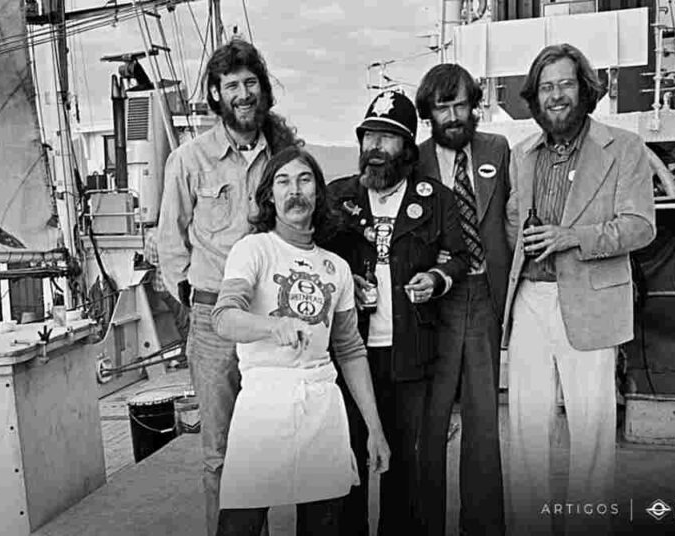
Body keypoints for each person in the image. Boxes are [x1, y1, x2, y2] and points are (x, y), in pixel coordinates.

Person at [502, 43, 656, 535]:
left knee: (591, 431)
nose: (556, 95)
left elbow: (641, 226)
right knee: (525, 427)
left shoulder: (624, 148)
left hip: (592, 300)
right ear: (534, 98)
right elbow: (512, 224)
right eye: (546, 87)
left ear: (585, 90)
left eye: (565, 84)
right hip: (530, 298)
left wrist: (572, 237)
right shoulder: (523, 155)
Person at [156, 38, 301, 536]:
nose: (243, 94)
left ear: (263, 89)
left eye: (250, 83)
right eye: (232, 85)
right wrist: (194, 306)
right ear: (216, 94)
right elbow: (170, 242)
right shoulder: (189, 160)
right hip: (213, 321)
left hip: (270, 321)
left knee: (265, 447)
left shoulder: (284, 156)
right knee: (219, 452)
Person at [212, 147, 391, 536]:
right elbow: (224, 317)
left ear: (318, 193)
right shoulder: (253, 249)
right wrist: (271, 326)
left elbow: (350, 349)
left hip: (321, 409)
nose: (295, 190)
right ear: (269, 196)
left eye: (304, 180)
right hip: (263, 406)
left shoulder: (337, 267)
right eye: (283, 181)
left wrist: (374, 429)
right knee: (239, 525)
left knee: (323, 524)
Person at [324, 90, 470, 535]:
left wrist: (436, 278)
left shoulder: (435, 199)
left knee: (403, 466)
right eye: (369, 136)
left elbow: (459, 257)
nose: (375, 148)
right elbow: (313, 257)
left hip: (410, 353)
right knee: (348, 460)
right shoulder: (337, 197)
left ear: (407, 147)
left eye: (387, 138)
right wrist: (344, 281)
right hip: (348, 354)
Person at [413, 63, 509, 536]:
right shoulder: (415, 160)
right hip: (436, 301)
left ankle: (484, 526)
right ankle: (426, 525)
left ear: (474, 105)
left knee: (484, 422)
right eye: (441, 107)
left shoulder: (498, 149)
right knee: (430, 425)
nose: (452, 116)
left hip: (486, 295)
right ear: (428, 113)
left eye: (460, 104)